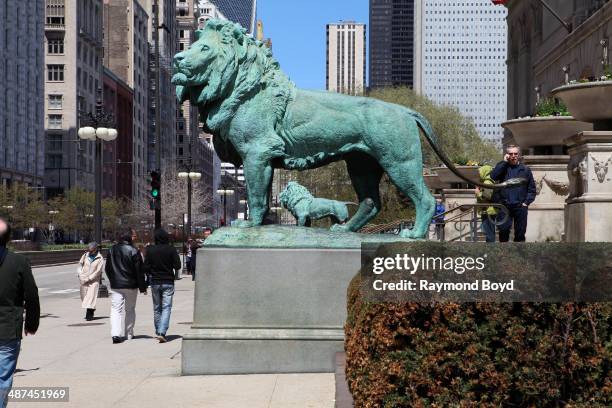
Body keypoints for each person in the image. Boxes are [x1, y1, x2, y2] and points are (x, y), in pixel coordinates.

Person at [0, 219, 39, 406]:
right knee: (2, 379)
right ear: (8, 239)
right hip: (8, 329)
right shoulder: (19, 262)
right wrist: (32, 323)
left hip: (8, 328)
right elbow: (31, 295)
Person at [105, 228, 146, 344]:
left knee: (116, 309)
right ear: (129, 237)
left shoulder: (112, 250)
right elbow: (139, 271)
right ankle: (128, 333)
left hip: (116, 285)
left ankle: (115, 334)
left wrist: (113, 280)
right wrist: (142, 287)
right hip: (131, 285)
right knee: (130, 309)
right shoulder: (133, 250)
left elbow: (107, 268)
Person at [491, 145, 537, 242]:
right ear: (507, 155)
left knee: (520, 234)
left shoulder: (525, 170)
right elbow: (494, 176)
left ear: (519, 155)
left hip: (520, 207)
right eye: (510, 154)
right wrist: (504, 162)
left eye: (515, 153)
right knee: (503, 231)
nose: (513, 156)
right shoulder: (503, 166)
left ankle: (518, 255)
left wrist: (526, 203)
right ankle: (504, 255)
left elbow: (532, 189)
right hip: (504, 207)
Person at [143, 228, 181, 343]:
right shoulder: (171, 249)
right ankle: (162, 331)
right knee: (166, 307)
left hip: (155, 281)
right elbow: (178, 265)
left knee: (157, 307)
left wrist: (151, 272)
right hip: (168, 281)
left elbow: (145, 267)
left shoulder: (150, 250)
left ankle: (158, 329)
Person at [77, 242, 104, 321]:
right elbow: (80, 265)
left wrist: (90, 278)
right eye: (89, 250)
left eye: (91, 250)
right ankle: (92, 308)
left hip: (93, 280)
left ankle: (89, 314)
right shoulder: (85, 255)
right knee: (84, 297)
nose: (90, 252)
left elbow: (98, 271)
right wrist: (79, 274)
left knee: (91, 297)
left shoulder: (100, 258)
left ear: (95, 249)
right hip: (83, 279)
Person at [475, 165, 498, 243]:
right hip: (487, 210)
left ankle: (490, 251)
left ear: (484, 171)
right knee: (489, 232)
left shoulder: (487, 182)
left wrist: (478, 193)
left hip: (488, 211)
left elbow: (486, 197)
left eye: (480, 172)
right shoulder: (486, 181)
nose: (478, 174)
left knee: (489, 233)